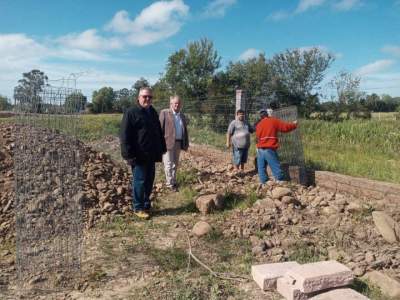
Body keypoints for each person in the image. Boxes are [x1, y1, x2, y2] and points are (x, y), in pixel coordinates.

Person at [120, 87, 166, 219]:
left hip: (151, 154)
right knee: (139, 181)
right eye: (144, 96)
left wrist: (162, 148)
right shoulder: (131, 112)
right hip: (138, 155)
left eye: (149, 97)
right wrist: (127, 155)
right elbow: (124, 135)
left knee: (149, 181)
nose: (147, 99)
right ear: (138, 98)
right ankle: (138, 207)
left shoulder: (152, 112)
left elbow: (158, 131)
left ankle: (146, 204)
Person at [255, 111, 297, 184]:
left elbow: (257, 137)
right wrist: (294, 124)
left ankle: (264, 182)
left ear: (260, 117)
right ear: (268, 115)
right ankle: (280, 180)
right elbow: (285, 128)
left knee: (261, 167)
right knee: (275, 165)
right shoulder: (273, 121)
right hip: (269, 148)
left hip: (260, 149)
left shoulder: (258, 124)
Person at [159, 95, 189, 191]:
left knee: (175, 164)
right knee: (168, 163)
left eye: (179, 103)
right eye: (175, 103)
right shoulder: (165, 113)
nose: (177, 105)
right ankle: (169, 184)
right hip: (167, 143)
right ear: (171, 104)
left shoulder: (182, 116)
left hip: (178, 142)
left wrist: (186, 143)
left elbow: (185, 130)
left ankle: (173, 181)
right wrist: (159, 142)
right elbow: (159, 129)